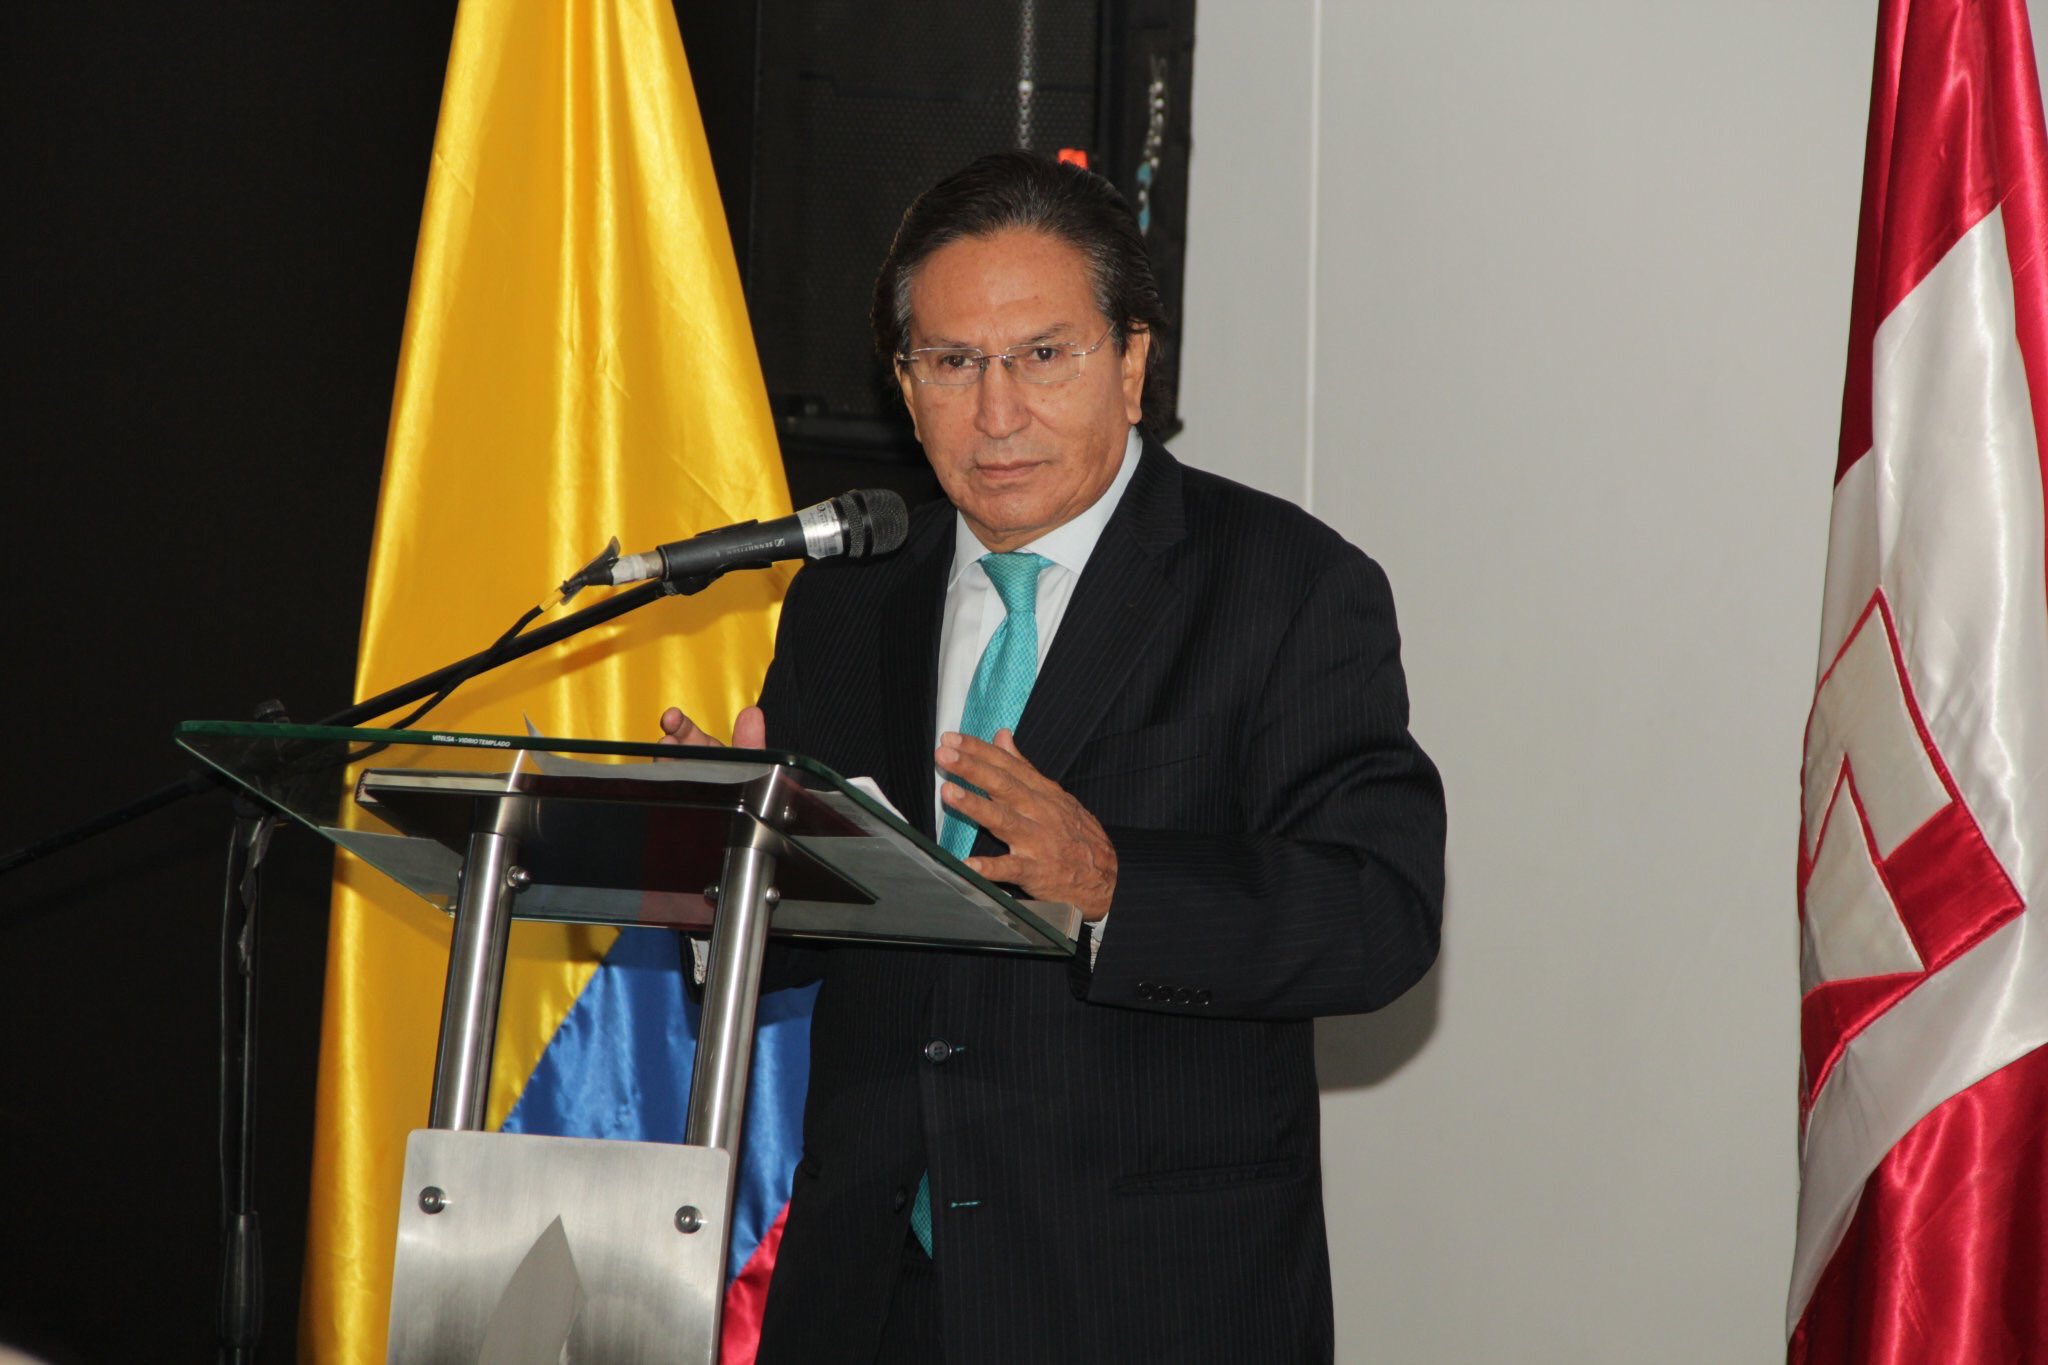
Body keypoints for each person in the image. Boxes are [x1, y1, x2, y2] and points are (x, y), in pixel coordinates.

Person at [660, 151, 1445, 1363]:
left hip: (1145, 1298)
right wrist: (732, 882)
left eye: (1041, 356)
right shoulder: (847, 598)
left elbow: (1376, 915)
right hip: (868, 1296)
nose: (995, 413)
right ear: (903, 384)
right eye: (951, 363)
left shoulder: (1283, 585)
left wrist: (1115, 885)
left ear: (1130, 364)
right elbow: (837, 934)